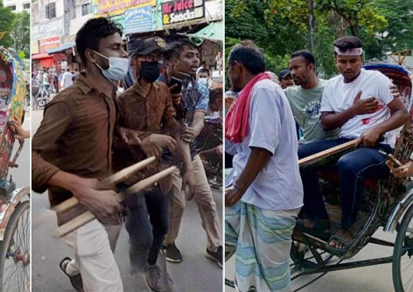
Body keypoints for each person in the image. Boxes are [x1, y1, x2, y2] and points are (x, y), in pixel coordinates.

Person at [31, 17, 130, 292]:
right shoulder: (65, 103)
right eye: (115, 48)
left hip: (107, 198)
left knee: (101, 251)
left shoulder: (110, 95)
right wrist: (79, 188)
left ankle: (74, 269)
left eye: (124, 47)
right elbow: (33, 159)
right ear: (92, 55)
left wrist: (143, 140)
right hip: (75, 210)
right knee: (109, 286)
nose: (124, 55)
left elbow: (111, 137)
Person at [298, 36, 409, 254]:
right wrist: (354, 110)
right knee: (298, 156)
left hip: (377, 148)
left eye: (353, 61)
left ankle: (347, 228)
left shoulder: (377, 80)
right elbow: (327, 122)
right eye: (343, 61)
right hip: (345, 141)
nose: (348, 66)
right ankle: (318, 217)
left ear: (361, 59)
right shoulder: (332, 85)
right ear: (335, 60)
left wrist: (378, 129)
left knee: (348, 164)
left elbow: (402, 113)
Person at [224, 41, 303, 291]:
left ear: (237, 67)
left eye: (229, 70)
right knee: (247, 267)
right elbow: (238, 147)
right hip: (254, 194)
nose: (229, 76)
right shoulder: (249, 94)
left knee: (272, 277)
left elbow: (262, 148)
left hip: (274, 198)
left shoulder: (264, 91)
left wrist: (236, 189)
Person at [113, 36, 188, 291]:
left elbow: (169, 122)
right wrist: (145, 138)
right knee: (142, 233)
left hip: (158, 173)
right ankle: (138, 261)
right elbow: (115, 137)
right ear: (135, 64)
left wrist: (179, 136)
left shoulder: (164, 91)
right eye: (150, 59)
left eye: (159, 59)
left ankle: (150, 264)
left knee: (162, 227)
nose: (155, 64)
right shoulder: (121, 100)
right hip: (130, 177)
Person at [159, 37, 222, 267]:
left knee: (206, 199)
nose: (195, 60)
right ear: (172, 62)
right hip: (165, 157)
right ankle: (168, 242)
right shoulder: (159, 88)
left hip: (190, 150)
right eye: (188, 56)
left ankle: (215, 245)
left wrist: (192, 133)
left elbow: (198, 120)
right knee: (178, 204)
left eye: (196, 55)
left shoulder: (199, 89)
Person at [285, 50, 338, 143]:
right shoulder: (289, 94)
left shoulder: (330, 87)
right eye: (291, 69)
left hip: (333, 141)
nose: (292, 73)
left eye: (296, 68)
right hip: (307, 143)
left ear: (310, 67)